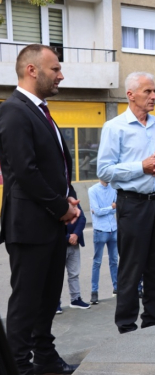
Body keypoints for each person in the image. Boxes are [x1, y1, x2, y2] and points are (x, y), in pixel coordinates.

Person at [0, 44, 80, 375]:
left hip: (50, 223)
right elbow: (24, 171)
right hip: (29, 225)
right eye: (55, 69)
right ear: (32, 70)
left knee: (48, 299)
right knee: (26, 301)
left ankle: (45, 357)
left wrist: (68, 197)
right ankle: (18, 366)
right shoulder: (14, 110)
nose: (60, 75)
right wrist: (61, 206)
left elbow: (55, 166)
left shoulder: (40, 111)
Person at [97, 71, 155, 333]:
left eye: (154, 91)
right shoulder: (114, 127)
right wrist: (141, 167)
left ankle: (153, 322)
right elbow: (104, 171)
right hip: (133, 203)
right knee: (131, 268)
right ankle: (126, 327)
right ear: (131, 95)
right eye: (148, 91)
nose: (154, 96)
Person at [87, 179, 119, 305]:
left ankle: (116, 288)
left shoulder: (114, 189)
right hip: (100, 229)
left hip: (113, 228)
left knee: (114, 261)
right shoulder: (93, 190)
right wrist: (110, 207)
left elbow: (117, 207)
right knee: (97, 262)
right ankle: (94, 292)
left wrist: (105, 209)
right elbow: (97, 211)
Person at [59, 201, 90, 312]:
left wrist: (76, 235)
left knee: (74, 273)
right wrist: (68, 237)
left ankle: (75, 299)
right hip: (59, 244)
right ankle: (55, 302)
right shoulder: (56, 200)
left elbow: (82, 218)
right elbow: (54, 222)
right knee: (56, 275)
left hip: (74, 244)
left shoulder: (73, 199)